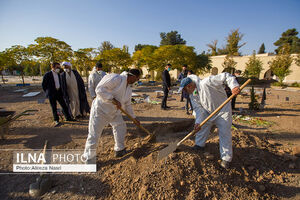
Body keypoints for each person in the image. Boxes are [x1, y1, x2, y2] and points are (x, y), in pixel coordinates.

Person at [178, 72, 240, 169]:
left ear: (189, 86)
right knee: (202, 127)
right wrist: (198, 122)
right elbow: (198, 109)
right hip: (208, 112)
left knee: (224, 133)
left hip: (222, 111)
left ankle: (226, 159)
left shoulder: (207, 82)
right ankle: (199, 145)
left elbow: (226, 76)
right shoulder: (193, 95)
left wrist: (234, 86)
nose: (185, 93)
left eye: (185, 90)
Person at [83, 69, 141, 161]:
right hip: (101, 110)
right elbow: (99, 89)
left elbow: (128, 105)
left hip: (114, 112)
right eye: (137, 79)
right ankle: (88, 159)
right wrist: (112, 99)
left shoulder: (129, 89)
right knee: (94, 134)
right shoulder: (116, 78)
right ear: (133, 76)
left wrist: (134, 118)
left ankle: (119, 149)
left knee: (120, 126)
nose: (137, 81)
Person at [42, 62, 74, 127]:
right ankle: (56, 120)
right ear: (52, 67)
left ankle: (68, 117)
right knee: (54, 107)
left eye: (59, 67)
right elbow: (44, 85)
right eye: (57, 67)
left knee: (64, 105)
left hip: (59, 93)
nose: (58, 69)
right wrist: (48, 92)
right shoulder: (47, 75)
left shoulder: (59, 74)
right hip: (52, 94)